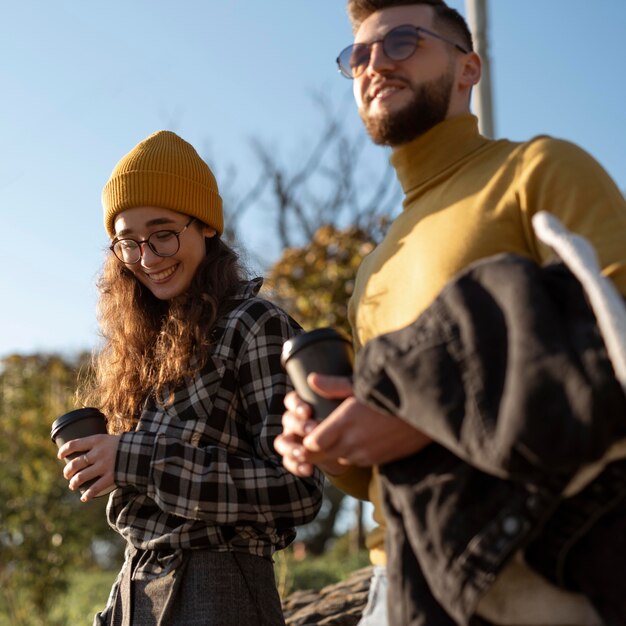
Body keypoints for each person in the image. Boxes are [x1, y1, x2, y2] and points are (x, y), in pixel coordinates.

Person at [274, 1, 626, 624]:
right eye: (358, 55)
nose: (374, 63)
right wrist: (332, 446)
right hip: (402, 585)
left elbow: (612, 330)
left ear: (469, 68)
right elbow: (384, 466)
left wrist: (420, 414)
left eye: (402, 42)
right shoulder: (375, 265)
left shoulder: (537, 168)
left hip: (535, 564)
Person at [57, 129, 324, 626]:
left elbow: (296, 491)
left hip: (220, 590)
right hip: (135, 589)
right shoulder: (139, 350)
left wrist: (133, 457)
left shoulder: (255, 326)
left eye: (163, 234)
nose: (148, 258)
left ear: (204, 225)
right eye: (128, 242)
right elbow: (148, 529)